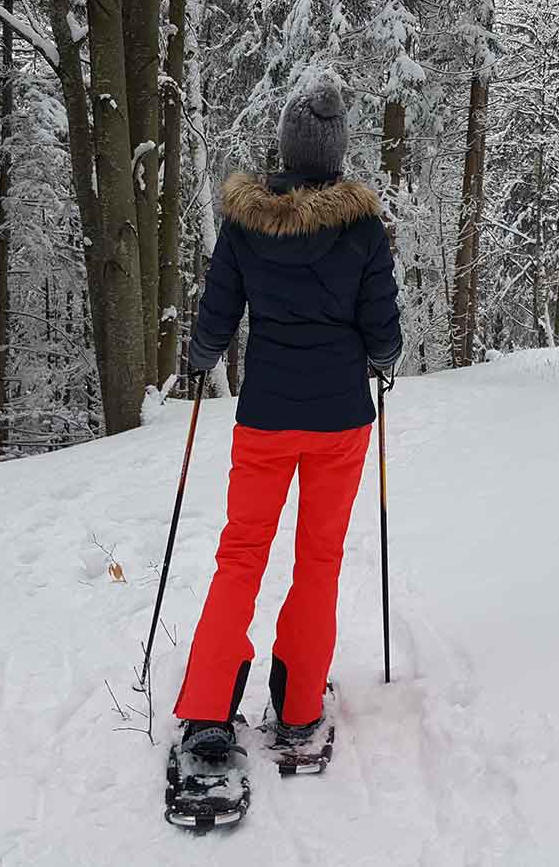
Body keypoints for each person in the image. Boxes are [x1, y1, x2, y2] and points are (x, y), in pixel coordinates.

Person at [174, 70, 402, 760]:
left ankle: (210, 708)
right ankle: (301, 707)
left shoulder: (248, 224)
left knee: (240, 555)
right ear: (334, 154)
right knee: (319, 559)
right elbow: (385, 335)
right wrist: (377, 357)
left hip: (267, 417)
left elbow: (217, 316)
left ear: (286, 147)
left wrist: (198, 356)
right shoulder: (362, 229)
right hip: (339, 423)